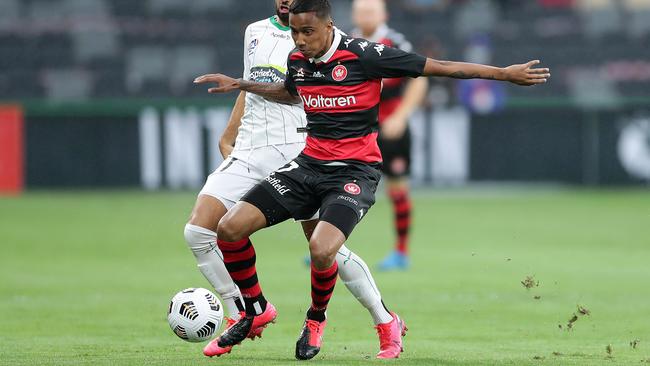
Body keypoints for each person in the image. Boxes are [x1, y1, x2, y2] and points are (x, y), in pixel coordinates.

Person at [194, 0, 549, 360]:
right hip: (307, 166)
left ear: (329, 26)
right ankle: (255, 310)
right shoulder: (298, 60)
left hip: (353, 172)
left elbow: (439, 67)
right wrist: (242, 84)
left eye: (307, 32)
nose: (299, 41)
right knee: (229, 228)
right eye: (295, 33)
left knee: (321, 248)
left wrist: (504, 74)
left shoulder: (365, 55)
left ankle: (317, 319)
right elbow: (290, 91)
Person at [183, 0, 402, 359]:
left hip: (300, 150)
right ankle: (243, 311)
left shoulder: (331, 41)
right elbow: (253, 82)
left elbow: (308, 92)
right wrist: (231, 130)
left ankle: (382, 318)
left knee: (324, 248)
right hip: (251, 148)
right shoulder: (254, 31)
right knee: (199, 230)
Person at [351, 0, 428, 271]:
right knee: (335, 185)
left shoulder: (395, 42)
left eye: (370, 11)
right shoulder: (346, 42)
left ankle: (401, 252)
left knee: (397, 188)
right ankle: (329, 248)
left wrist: (401, 116)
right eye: (360, 11)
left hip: (390, 128)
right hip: (357, 129)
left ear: (384, 14)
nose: (364, 16)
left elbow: (420, 79)